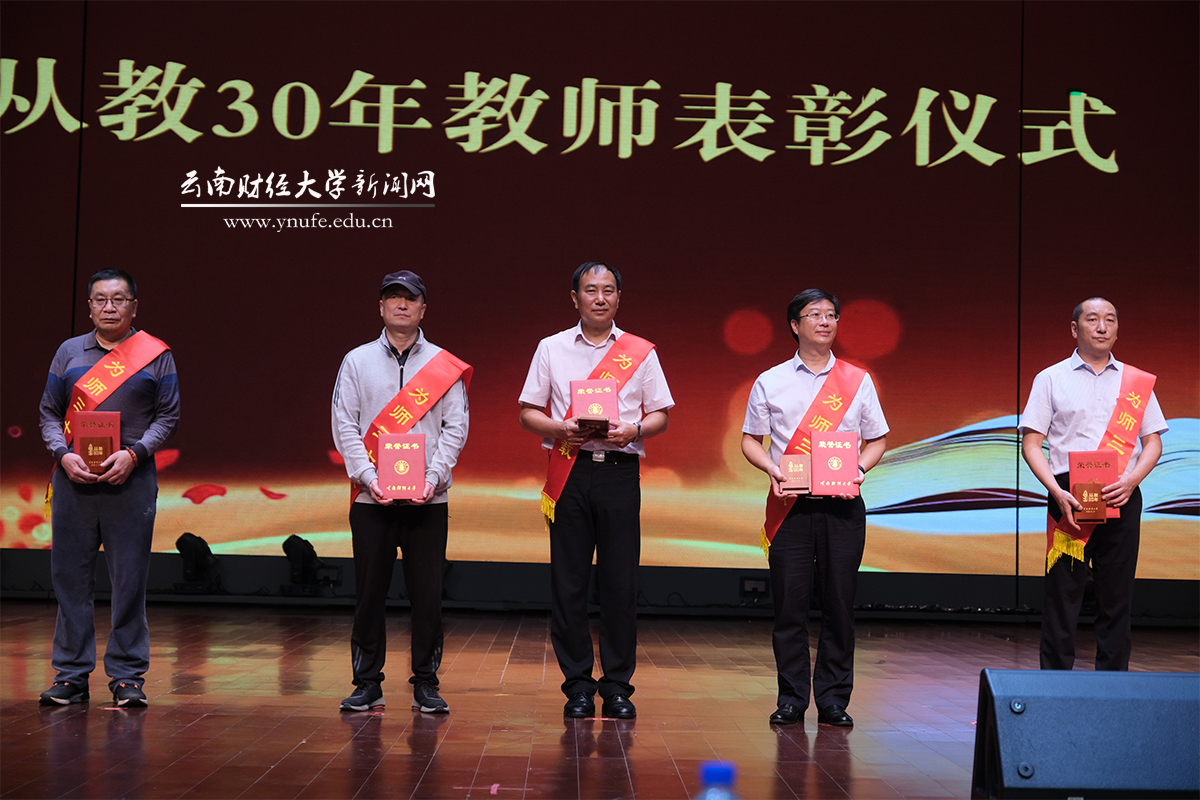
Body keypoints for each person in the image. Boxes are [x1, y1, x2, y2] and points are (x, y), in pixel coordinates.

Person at [518, 260, 673, 720]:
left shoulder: (640, 351)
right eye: (591, 290)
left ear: (619, 297)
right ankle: (578, 687)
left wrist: (635, 430)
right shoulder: (551, 347)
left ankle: (618, 687)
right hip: (570, 470)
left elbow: (661, 414)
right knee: (568, 583)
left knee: (620, 583)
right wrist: (559, 428)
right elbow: (528, 412)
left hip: (619, 474)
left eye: (608, 290)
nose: (599, 298)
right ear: (575, 298)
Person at [741, 289, 888, 727]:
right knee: (790, 607)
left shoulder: (857, 380)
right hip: (790, 506)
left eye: (831, 315)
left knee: (839, 605)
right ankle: (791, 699)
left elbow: (877, 439)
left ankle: (833, 700)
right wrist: (771, 468)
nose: (825, 321)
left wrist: (858, 469)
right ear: (794, 325)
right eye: (815, 314)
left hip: (843, 507)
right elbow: (750, 440)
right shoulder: (770, 380)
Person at [37, 268, 180, 708]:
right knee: (70, 580)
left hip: (130, 482)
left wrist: (134, 455)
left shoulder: (155, 354)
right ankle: (70, 676)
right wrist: (63, 455)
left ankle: (127, 676)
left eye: (119, 299)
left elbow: (168, 416)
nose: (109, 307)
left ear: (134, 306)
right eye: (100, 299)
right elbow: (48, 413)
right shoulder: (68, 352)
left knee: (129, 581)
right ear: (89, 307)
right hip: (73, 482)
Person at [331, 270, 471, 713]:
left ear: (423, 308)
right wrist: (368, 477)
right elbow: (345, 425)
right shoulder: (356, 361)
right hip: (372, 498)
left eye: (410, 298)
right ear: (381, 307)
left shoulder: (443, 365)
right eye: (393, 297)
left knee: (427, 595)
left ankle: (425, 682)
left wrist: (434, 478)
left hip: (428, 499)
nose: (402, 304)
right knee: (369, 593)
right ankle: (366, 682)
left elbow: (456, 428)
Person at [1020, 297, 1166, 670]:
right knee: (1063, 595)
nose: (1102, 327)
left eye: (1110, 320)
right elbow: (1032, 444)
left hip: (1121, 494)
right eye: (1092, 319)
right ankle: (1054, 684)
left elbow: (1153, 443)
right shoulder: (1051, 378)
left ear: (1117, 329)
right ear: (1075, 328)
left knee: (1117, 596)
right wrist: (1055, 491)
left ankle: (1113, 684)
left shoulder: (1136, 381)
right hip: (1068, 498)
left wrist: (1132, 481)